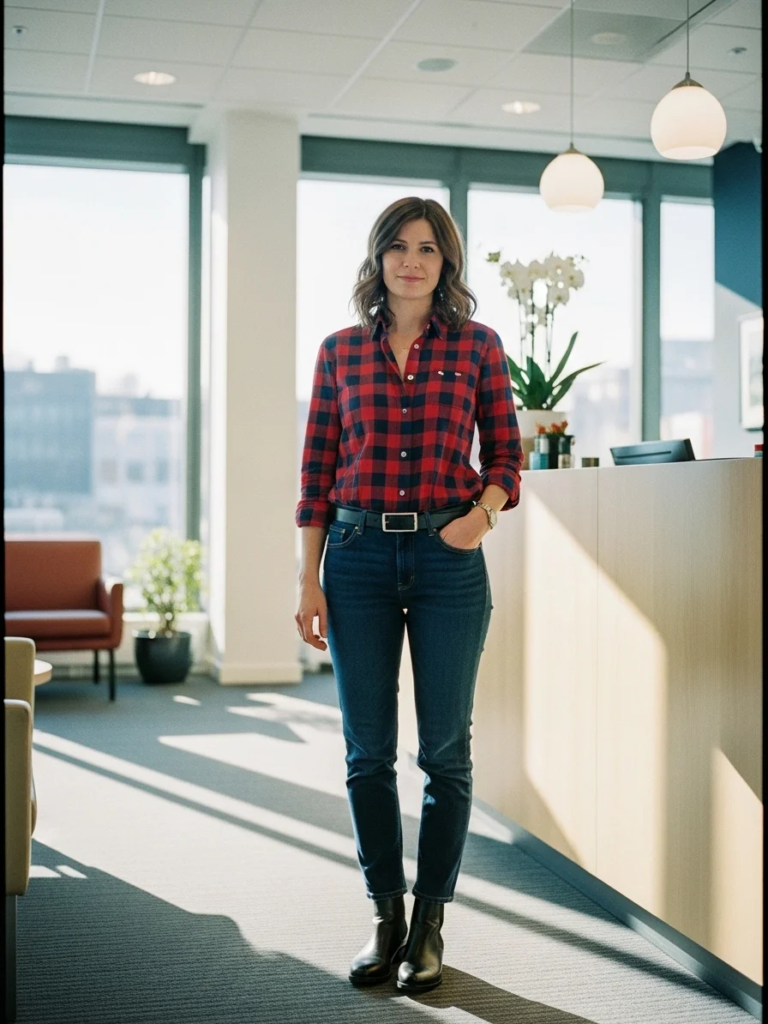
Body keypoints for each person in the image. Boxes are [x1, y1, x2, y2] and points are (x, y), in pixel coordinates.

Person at [295, 196, 523, 993]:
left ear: (446, 262)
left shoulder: (479, 348)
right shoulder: (337, 354)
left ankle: (431, 922)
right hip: (355, 557)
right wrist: (308, 576)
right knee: (366, 754)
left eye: (428, 248)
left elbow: (506, 457)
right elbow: (316, 474)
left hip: (446, 559)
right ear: (378, 258)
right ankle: (385, 915)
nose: (412, 261)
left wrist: (479, 520)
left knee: (445, 754)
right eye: (398, 246)